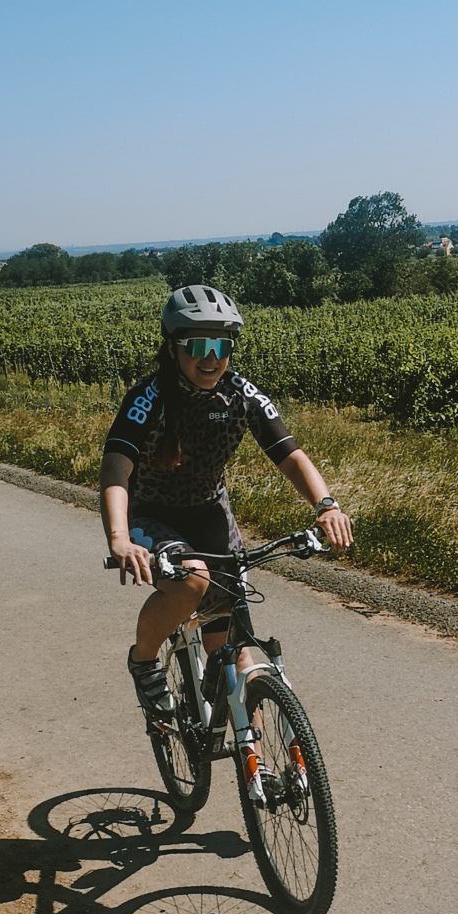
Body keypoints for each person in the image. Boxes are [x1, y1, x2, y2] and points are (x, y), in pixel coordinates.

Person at [100, 284, 354, 717]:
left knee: (235, 653)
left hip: (210, 514)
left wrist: (326, 505)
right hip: (152, 515)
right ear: (173, 347)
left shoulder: (240, 394)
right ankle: (143, 662)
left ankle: (252, 757)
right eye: (198, 345)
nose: (212, 356)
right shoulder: (150, 397)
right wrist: (120, 538)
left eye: (223, 344)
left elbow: (290, 457)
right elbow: (116, 468)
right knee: (192, 581)